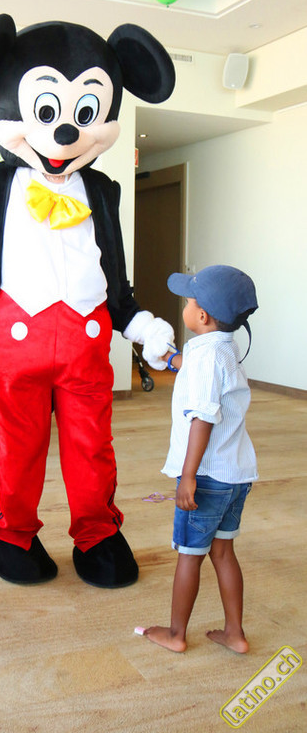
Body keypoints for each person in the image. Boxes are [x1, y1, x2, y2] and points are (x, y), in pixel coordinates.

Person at [142, 265, 258, 653]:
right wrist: (172, 358)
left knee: (189, 556)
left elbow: (203, 418)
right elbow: (199, 367)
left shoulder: (207, 358)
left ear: (203, 316)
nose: (186, 307)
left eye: (189, 302)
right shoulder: (223, 348)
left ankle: (176, 634)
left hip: (206, 477)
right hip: (235, 476)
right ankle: (235, 634)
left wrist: (188, 475)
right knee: (223, 552)